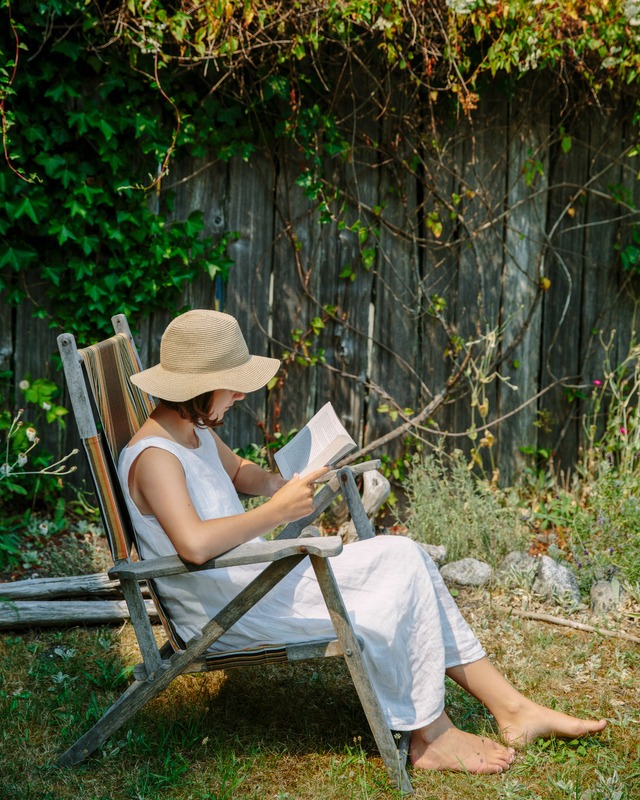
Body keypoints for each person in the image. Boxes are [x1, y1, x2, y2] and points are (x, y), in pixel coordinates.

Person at [118, 309, 606, 774]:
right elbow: (195, 546)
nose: (242, 397)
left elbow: (237, 471)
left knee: (404, 555)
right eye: (234, 386)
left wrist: (277, 483)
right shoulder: (156, 457)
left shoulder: (190, 428)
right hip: (231, 608)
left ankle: (512, 708)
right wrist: (274, 513)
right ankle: (431, 737)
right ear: (200, 386)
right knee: (387, 596)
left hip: (249, 579)